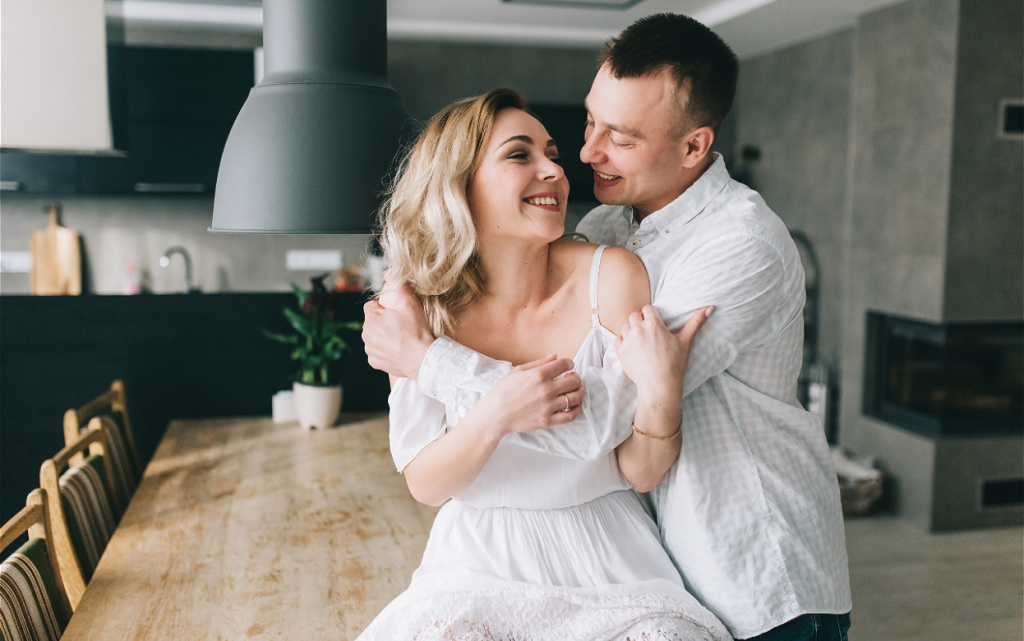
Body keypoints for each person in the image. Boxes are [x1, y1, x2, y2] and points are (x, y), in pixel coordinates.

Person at [362, 13, 853, 641]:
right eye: (591, 122)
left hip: (755, 569)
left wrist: (431, 362)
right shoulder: (604, 230)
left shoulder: (740, 246)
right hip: (643, 555)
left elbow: (598, 424)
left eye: (619, 136)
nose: (585, 154)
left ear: (694, 147)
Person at [356, 88, 730, 640]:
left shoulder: (613, 277)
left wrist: (663, 391)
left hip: (610, 557)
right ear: (459, 183)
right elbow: (427, 481)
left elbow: (641, 469)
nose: (553, 170)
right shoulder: (418, 308)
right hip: (477, 563)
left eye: (552, 153)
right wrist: (496, 412)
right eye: (519, 155)